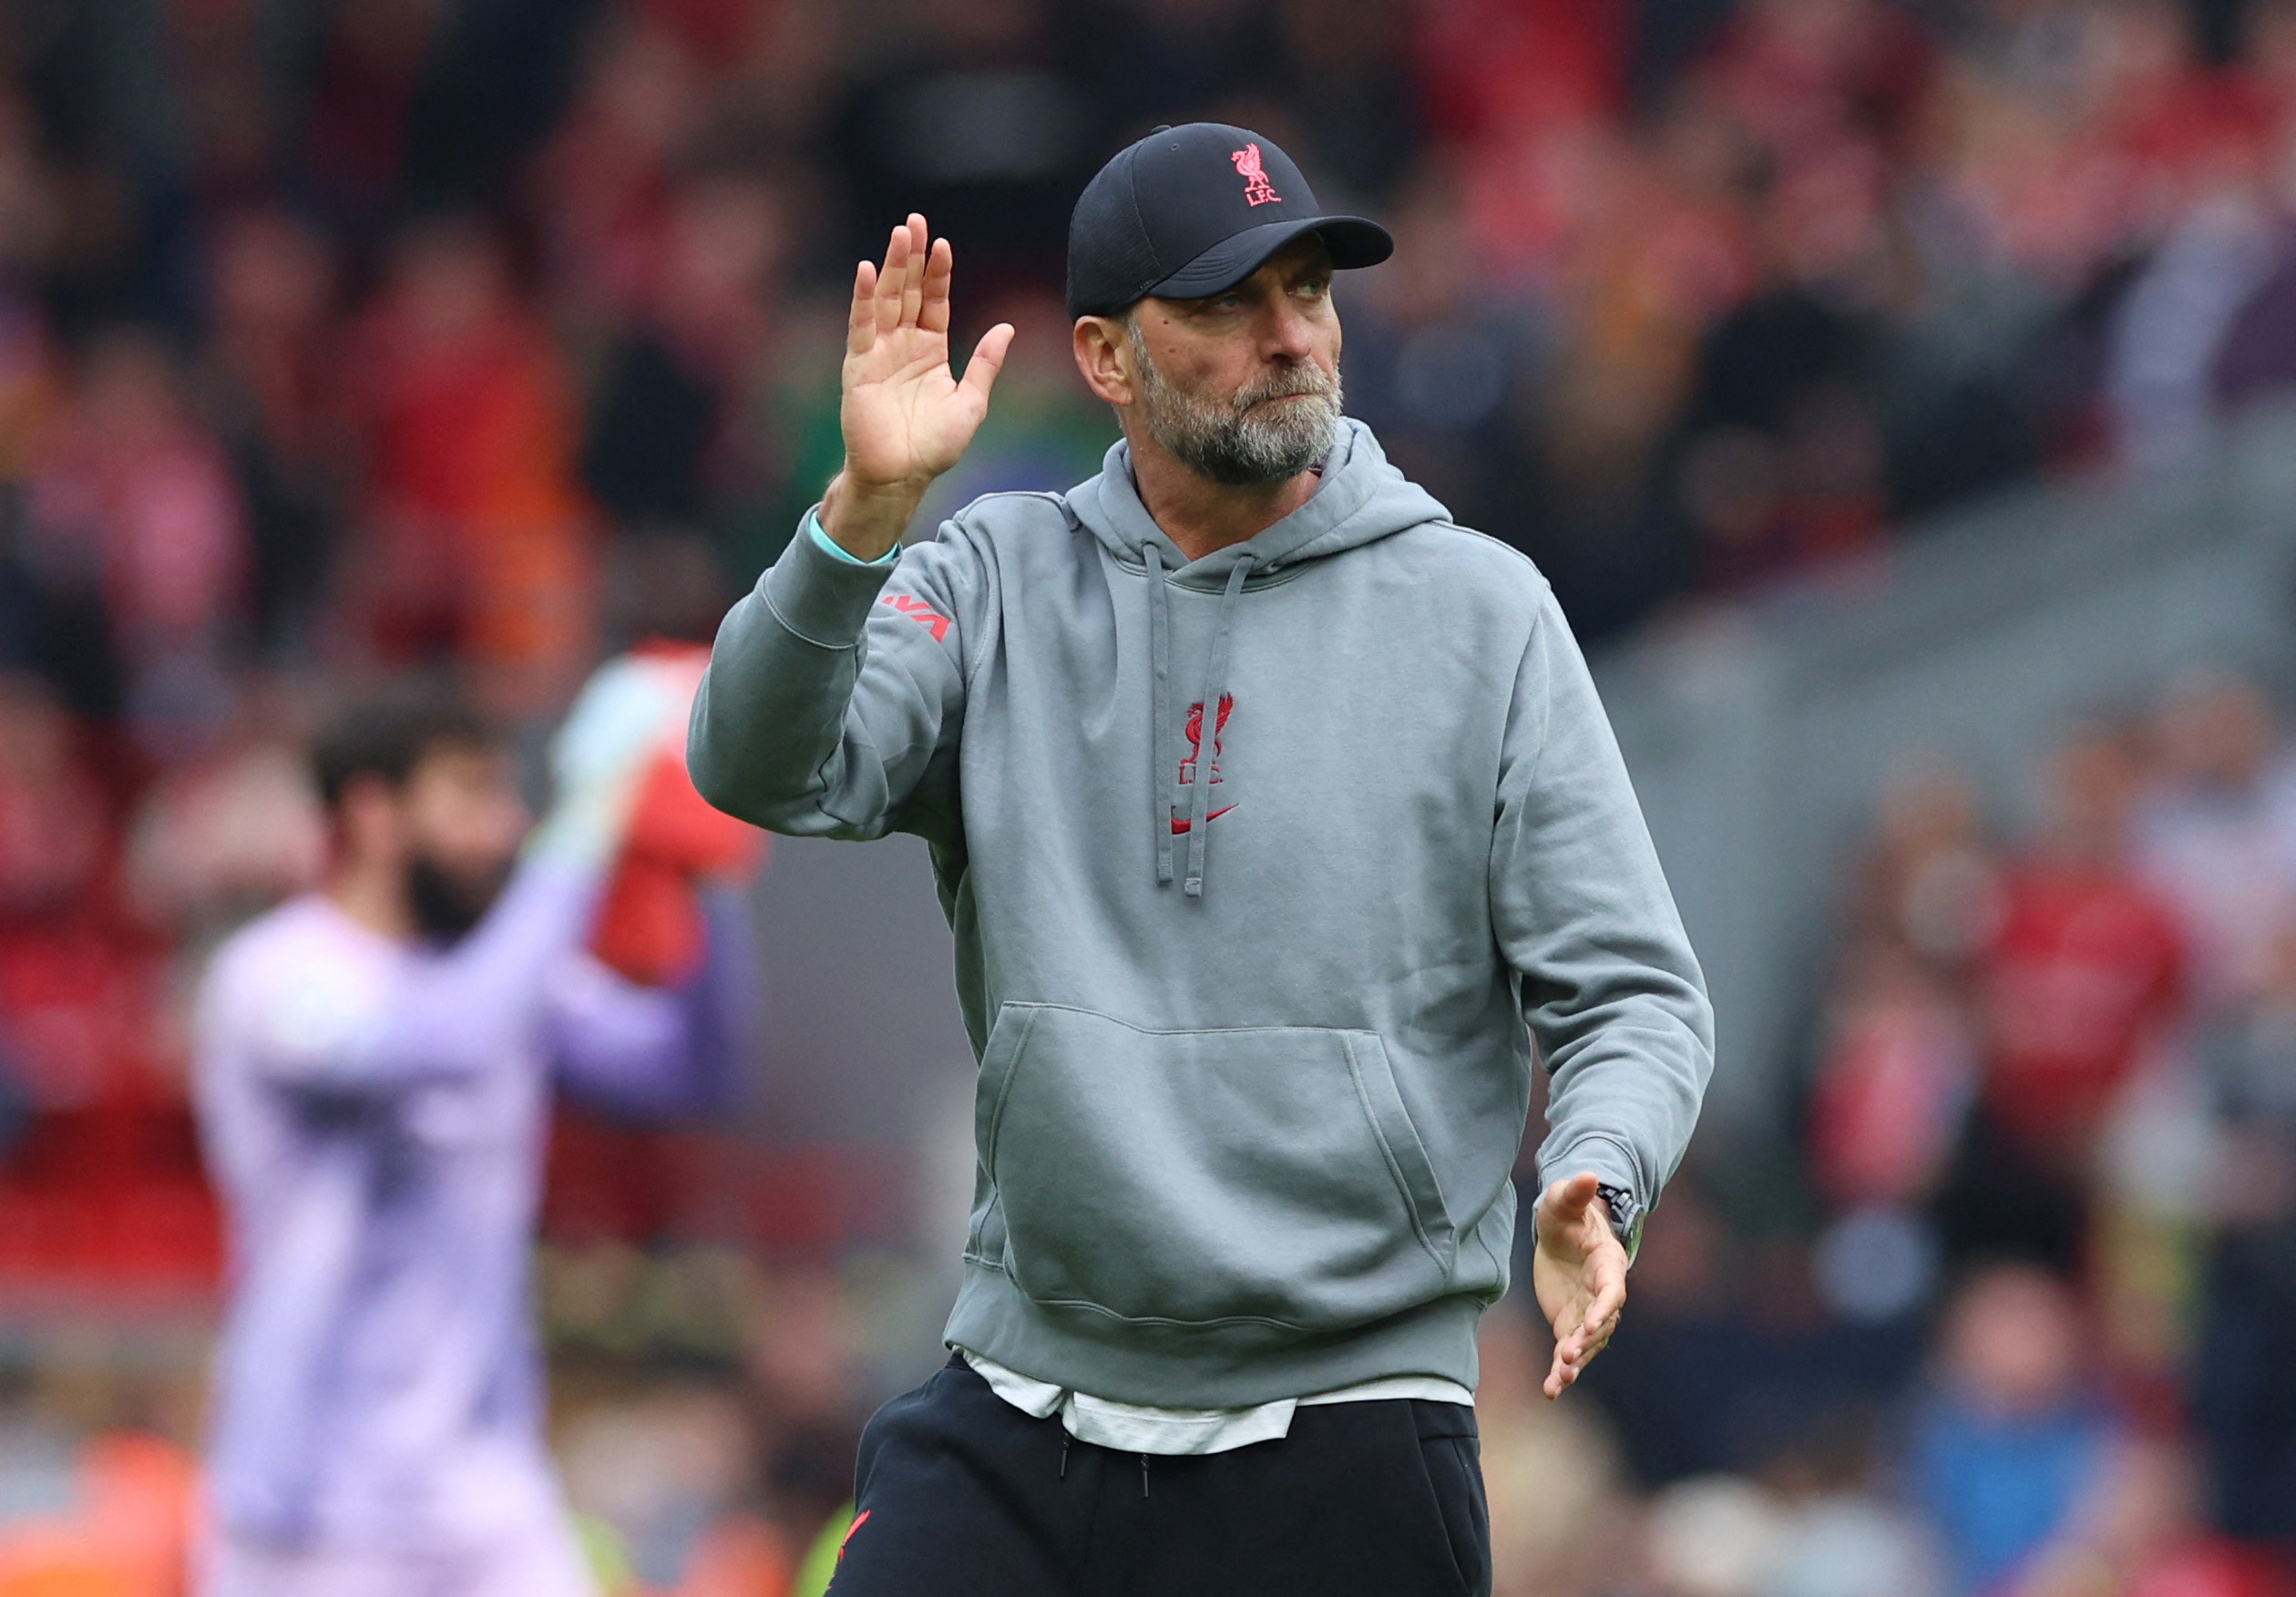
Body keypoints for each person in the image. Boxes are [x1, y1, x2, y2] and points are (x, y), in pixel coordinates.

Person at [690, 123, 1712, 1596]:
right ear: (1107, 357)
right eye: (1230, 303)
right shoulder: (990, 577)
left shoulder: (1482, 611)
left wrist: (1597, 1172)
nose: (1290, 334)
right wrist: (862, 519)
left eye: (1308, 290)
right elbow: (758, 763)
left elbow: (1635, 996)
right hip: (1025, 1397)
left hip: (1349, 1418)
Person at [192, 665, 755, 1597]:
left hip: (487, 1498)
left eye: (509, 794)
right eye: (470, 794)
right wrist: (586, 821)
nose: (505, 829)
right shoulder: (275, 978)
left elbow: (693, 1073)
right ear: (373, 815)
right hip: (310, 1511)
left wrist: (709, 872)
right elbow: (445, 1040)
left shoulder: (504, 970)